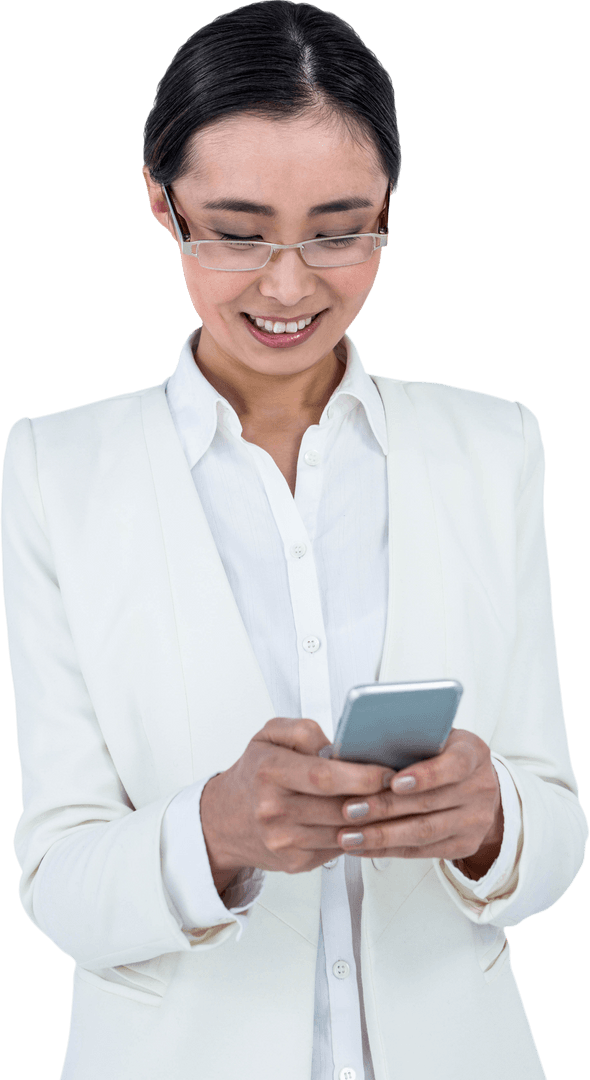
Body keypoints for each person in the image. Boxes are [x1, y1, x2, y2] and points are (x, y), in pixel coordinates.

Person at [1, 2, 587, 1078]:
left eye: (337, 228)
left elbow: (552, 829)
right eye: (234, 230)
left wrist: (491, 819)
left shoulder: (492, 446)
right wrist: (213, 836)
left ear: (388, 205)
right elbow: (59, 877)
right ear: (160, 203)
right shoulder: (56, 469)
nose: (287, 284)